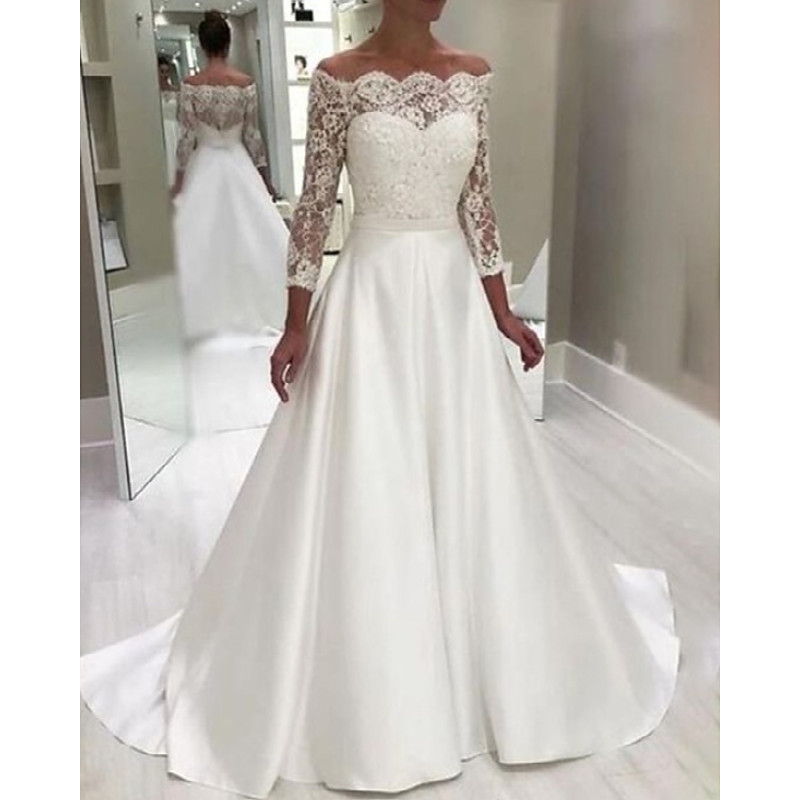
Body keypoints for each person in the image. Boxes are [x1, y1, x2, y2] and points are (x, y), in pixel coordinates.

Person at [81, 1, 679, 797]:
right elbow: (314, 206)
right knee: (370, 474)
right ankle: (379, 685)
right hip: (370, 297)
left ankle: (487, 666)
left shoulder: (472, 77)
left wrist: (503, 311)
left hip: (452, 304)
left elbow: (479, 205)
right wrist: (297, 323)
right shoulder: (337, 79)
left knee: (471, 473)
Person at [171, 10, 288, 339]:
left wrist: (179, 182)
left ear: (201, 44)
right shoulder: (245, 84)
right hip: (239, 164)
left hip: (205, 164)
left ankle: (207, 313)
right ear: (229, 42)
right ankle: (256, 305)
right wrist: (264, 178)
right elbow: (253, 136)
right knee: (250, 236)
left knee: (203, 239)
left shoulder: (191, 86)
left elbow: (186, 139)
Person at [157, 54, 180, 185]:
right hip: (160, 129)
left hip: (174, 129)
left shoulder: (176, 91)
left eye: (167, 71)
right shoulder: (152, 92)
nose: (165, 75)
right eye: (162, 71)